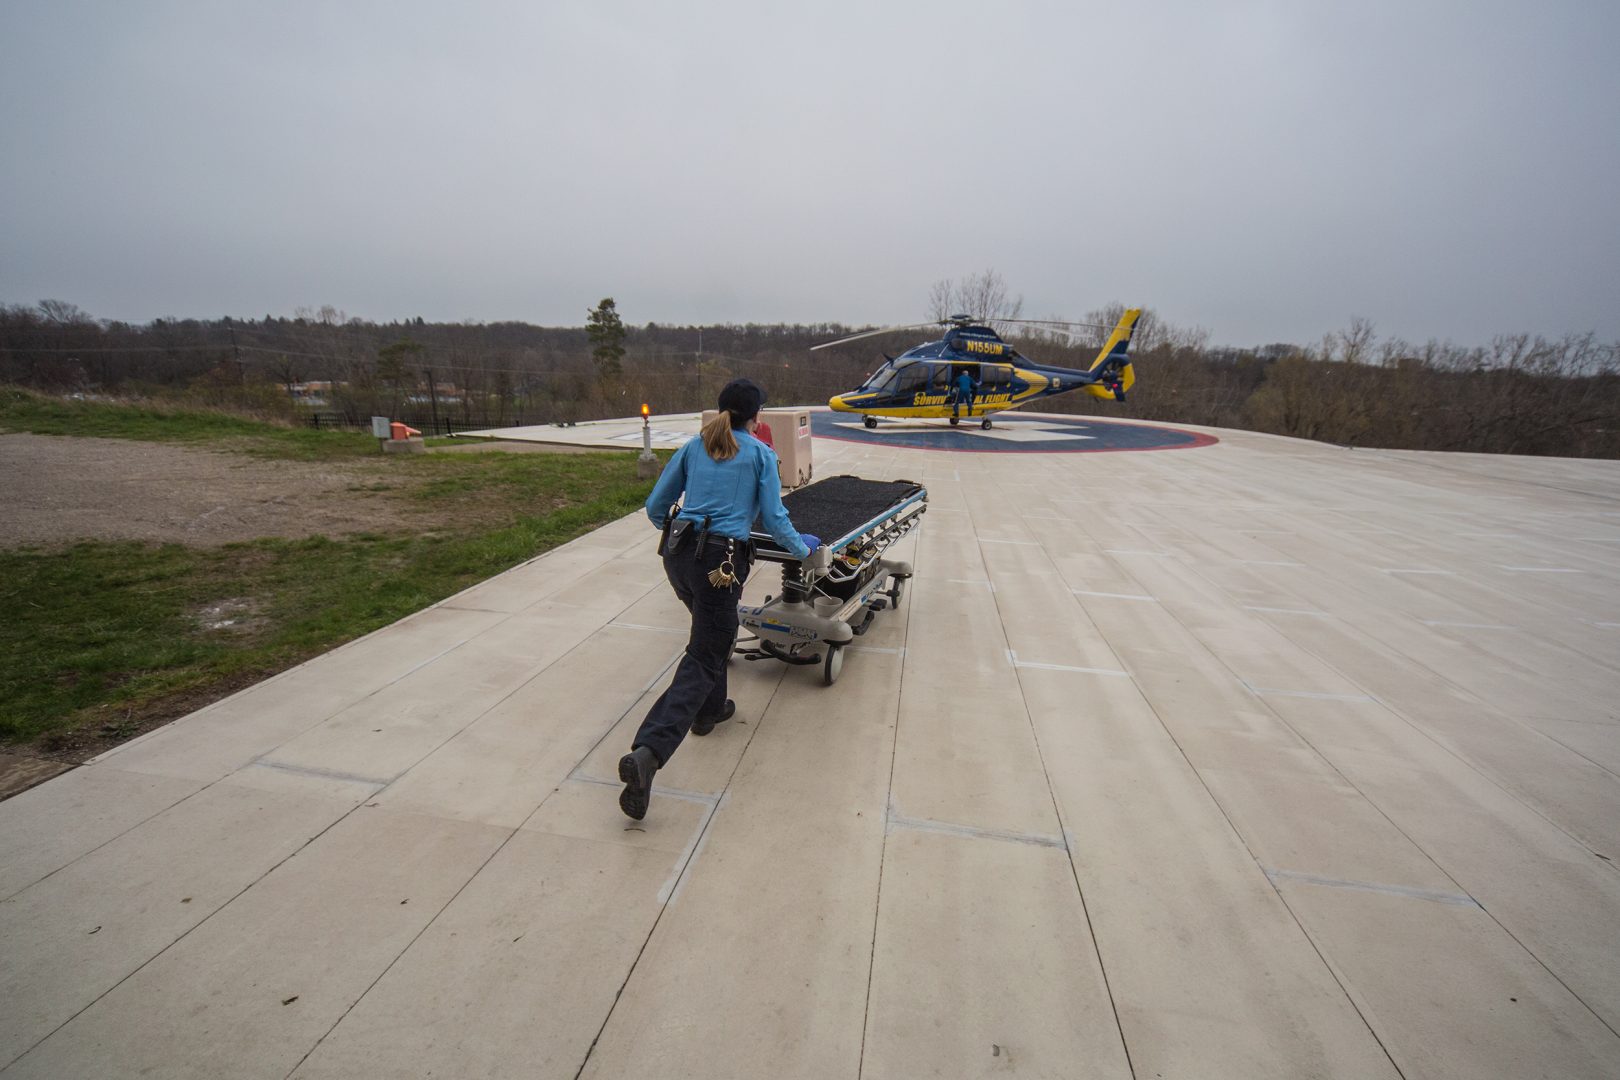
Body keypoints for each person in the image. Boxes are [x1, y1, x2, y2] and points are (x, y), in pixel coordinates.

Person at [618, 379, 820, 820]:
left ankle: (710, 711)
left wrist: (685, 534)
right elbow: (774, 516)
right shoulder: (761, 454)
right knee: (705, 653)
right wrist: (803, 550)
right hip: (720, 566)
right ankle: (649, 751)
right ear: (756, 416)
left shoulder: (694, 446)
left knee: (713, 633)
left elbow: (657, 507)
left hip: (678, 556)